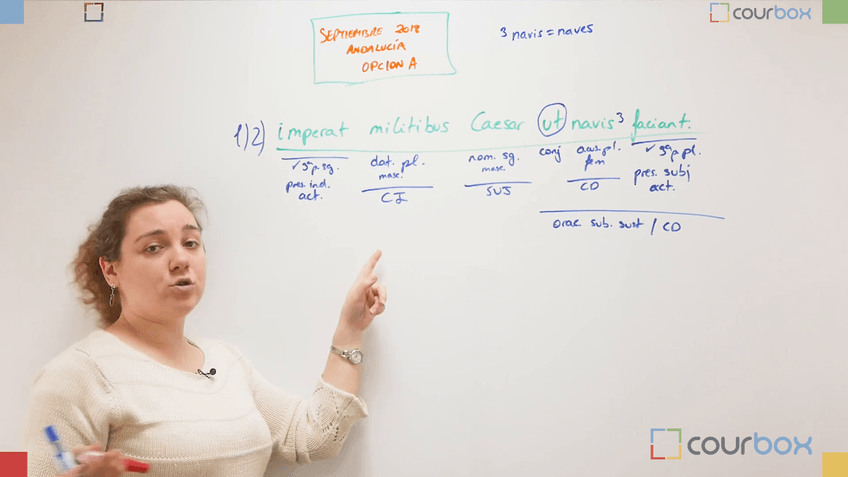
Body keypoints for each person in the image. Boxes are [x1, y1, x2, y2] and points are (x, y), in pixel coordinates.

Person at [20, 185, 387, 477]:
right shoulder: (77, 376)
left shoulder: (226, 362)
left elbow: (315, 437)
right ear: (111, 270)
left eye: (191, 243)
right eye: (154, 247)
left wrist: (350, 328)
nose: (181, 259)